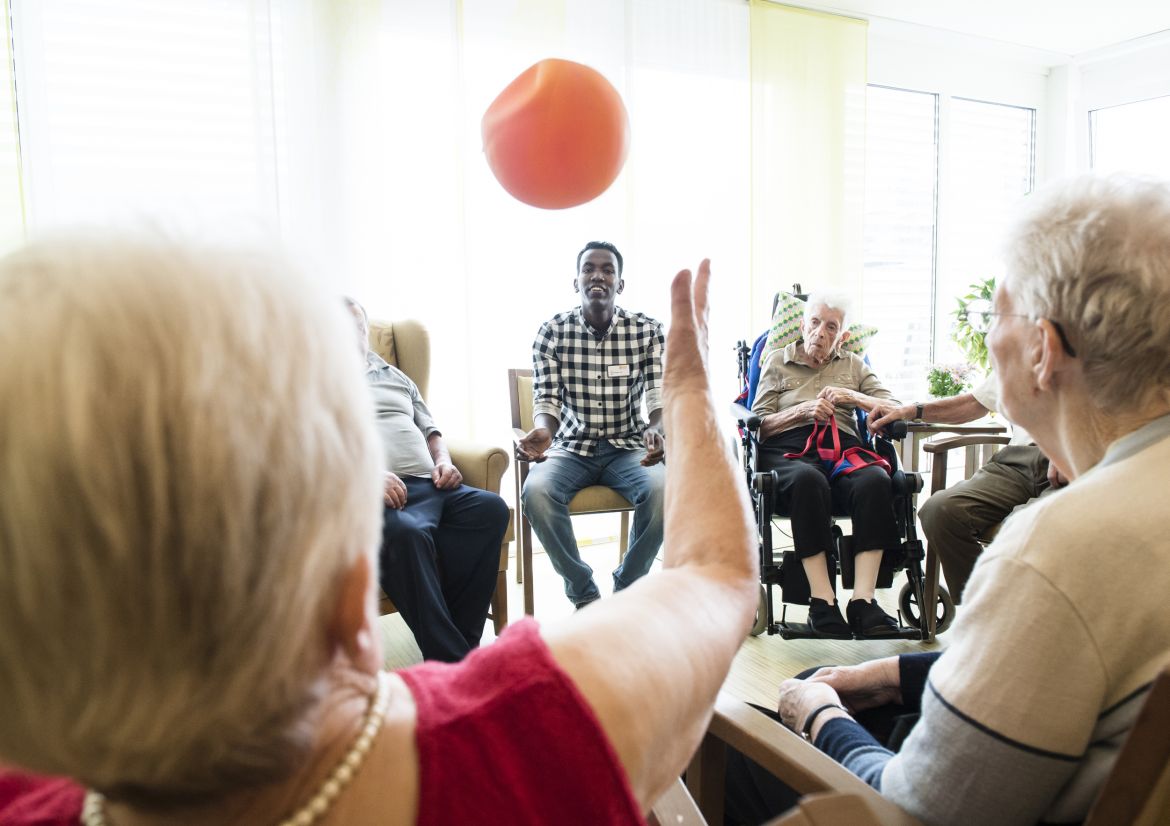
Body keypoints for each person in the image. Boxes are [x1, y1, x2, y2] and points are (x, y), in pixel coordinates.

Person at [0, 238, 758, 826]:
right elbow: (717, 576)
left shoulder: (20, 794)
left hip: (541, 465)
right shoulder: (513, 739)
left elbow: (430, 429)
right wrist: (690, 393)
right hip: (530, 468)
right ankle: (505, 627)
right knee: (508, 501)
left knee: (483, 511)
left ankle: (524, 612)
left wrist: (442, 455)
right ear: (351, 596)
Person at [736, 173, 1170, 826]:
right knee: (855, 678)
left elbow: (916, 811)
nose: (985, 344)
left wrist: (819, 717)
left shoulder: (1053, 550)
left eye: (994, 315)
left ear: (1043, 352)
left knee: (741, 740)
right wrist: (889, 673)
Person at [344, 297, 509, 663]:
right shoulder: (317, 380)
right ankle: (454, 662)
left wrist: (444, 462)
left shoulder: (395, 376)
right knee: (408, 534)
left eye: (356, 326)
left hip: (430, 484)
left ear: (365, 333)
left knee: (491, 509)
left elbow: (431, 430)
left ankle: (460, 648)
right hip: (375, 494)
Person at [517, 241, 666, 609]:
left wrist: (657, 427)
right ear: (576, 281)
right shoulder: (552, 331)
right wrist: (544, 431)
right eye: (589, 269)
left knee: (666, 490)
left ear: (620, 283)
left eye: (607, 269)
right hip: (571, 448)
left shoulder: (647, 331)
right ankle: (584, 595)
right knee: (535, 492)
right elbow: (547, 400)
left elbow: (659, 396)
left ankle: (627, 590)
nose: (597, 275)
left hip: (627, 448)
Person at [750, 292, 902, 638]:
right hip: (789, 448)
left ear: (843, 336)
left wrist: (853, 397)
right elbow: (759, 424)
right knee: (808, 481)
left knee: (876, 480)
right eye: (815, 322)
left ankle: (864, 603)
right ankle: (823, 602)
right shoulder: (776, 360)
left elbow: (892, 405)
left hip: (843, 448)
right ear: (802, 325)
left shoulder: (855, 365)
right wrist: (801, 411)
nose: (820, 332)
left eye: (831, 326)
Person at [868, 379, 1066, 602]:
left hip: (1077, 460)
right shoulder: (1022, 350)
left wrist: (1071, 444)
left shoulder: (1094, 351)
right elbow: (975, 403)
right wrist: (911, 410)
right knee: (940, 511)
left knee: (1022, 527)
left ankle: (1016, 619)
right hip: (1018, 459)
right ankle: (985, 609)